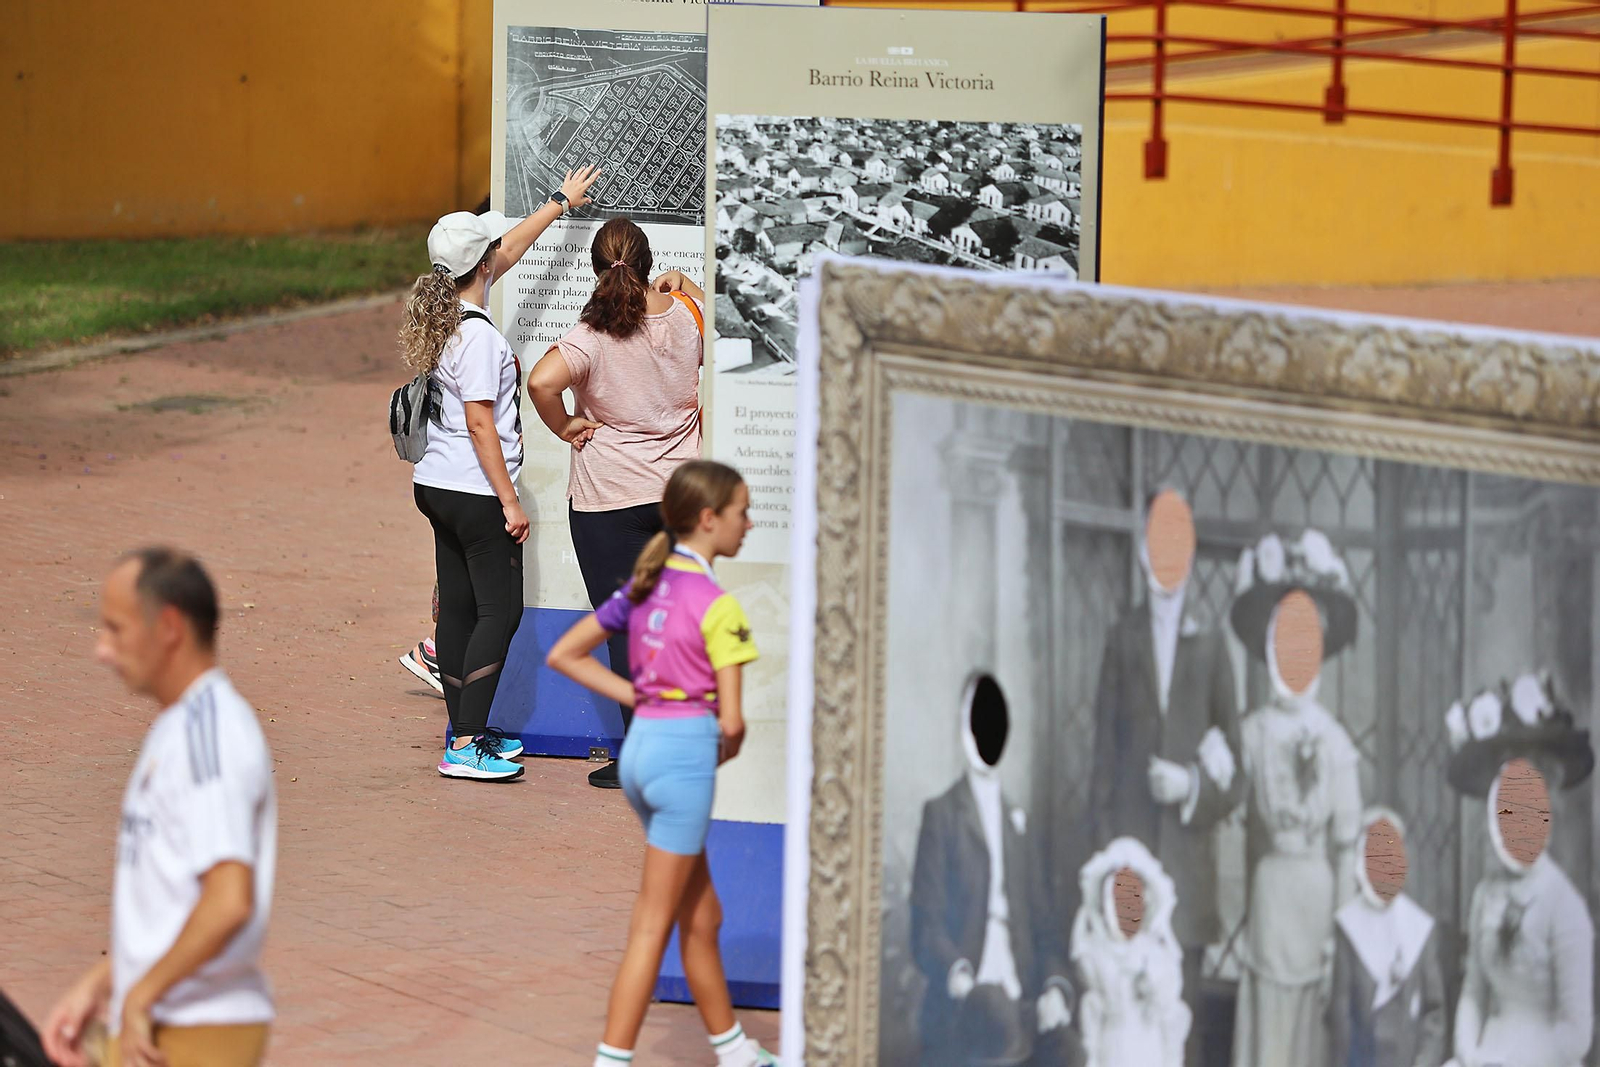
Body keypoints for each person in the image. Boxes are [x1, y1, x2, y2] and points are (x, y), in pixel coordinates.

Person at [545, 460, 776, 1067]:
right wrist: (714, 743)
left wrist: (640, 698)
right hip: (682, 761)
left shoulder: (645, 585)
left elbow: (568, 653)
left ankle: (733, 1050)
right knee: (654, 924)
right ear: (708, 520)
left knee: (704, 914)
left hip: (642, 754)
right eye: (741, 513)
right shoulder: (720, 606)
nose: (748, 524)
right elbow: (732, 722)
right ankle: (612, 1059)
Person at [402, 166, 600, 781]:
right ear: (482, 266)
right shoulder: (481, 339)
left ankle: (465, 730)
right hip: (474, 489)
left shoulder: (441, 317)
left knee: (458, 610)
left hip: (436, 485)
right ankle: (464, 744)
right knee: (502, 613)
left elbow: (505, 249)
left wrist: (559, 205)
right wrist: (510, 501)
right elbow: (483, 425)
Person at [41, 548, 276, 1067]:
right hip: (165, 1027)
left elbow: (228, 899)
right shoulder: (177, 726)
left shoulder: (209, 734)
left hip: (193, 1031)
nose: (102, 650)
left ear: (169, 627)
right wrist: (104, 984)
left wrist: (142, 995)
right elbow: (176, 904)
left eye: (115, 629)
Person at [528, 216, 707, 789]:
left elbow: (540, 382)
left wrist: (565, 427)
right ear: (650, 264)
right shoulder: (688, 316)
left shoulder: (591, 334)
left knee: (627, 628)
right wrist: (683, 285)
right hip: (678, 493)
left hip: (608, 496)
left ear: (596, 270)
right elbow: (719, 315)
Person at [1086, 488, 1241, 1065]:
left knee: (1183, 1033)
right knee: (1126, 1030)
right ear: (1142, 552)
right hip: (1129, 875)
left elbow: (1238, 779)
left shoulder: (1212, 647)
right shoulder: (1120, 638)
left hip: (1187, 883)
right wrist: (1107, 869)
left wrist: (1190, 788)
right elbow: (1100, 767)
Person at [1229, 529, 1364, 1067]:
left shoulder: (1336, 741)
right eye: (1286, 641)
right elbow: (1233, 830)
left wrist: (1341, 936)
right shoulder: (1252, 732)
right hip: (1269, 896)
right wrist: (1233, 916)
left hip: (1317, 900)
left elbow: (1348, 845)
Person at [910, 673, 1079, 1067]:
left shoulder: (1019, 821)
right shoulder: (942, 815)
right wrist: (959, 974)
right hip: (967, 1000)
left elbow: (1045, 928)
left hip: (1022, 995)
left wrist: (1055, 989)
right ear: (963, 731)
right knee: (995, 1020)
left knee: (1070, 1051)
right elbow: (926, 926)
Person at [1442, 672, 1594, 1067]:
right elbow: (1474, 991)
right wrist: (1470, 1053)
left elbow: (1577, 1033)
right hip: (1487, 1052)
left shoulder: (1565, 907)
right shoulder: (1485, 895)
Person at [1327, 807, 1447, 1067]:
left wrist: (1424, 1062)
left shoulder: (1418, 926)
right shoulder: (1348, 925)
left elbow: (1433, 1013)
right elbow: (1341, 1017)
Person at [1070, 837, 1190, 1067]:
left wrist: (1153, 991)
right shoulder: (1098, 952)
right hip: (1112, 1048)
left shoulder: (1157, 953)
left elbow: (1169, 1011)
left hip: (1149, 1047)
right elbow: (1093, 1016)